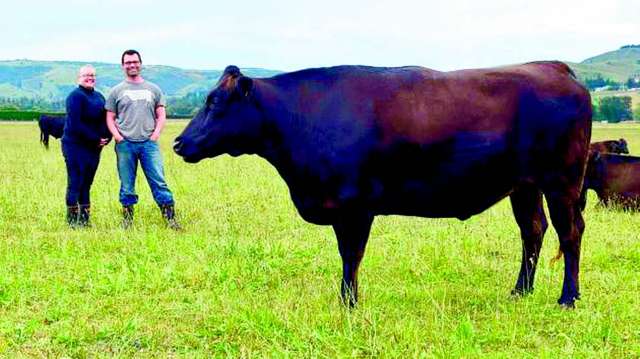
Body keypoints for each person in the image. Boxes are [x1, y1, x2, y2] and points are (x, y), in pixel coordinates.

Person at [105, 49, 180, 230]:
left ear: (140, 63)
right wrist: (117, 137)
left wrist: (155, 135)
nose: (132, 65)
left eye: (135, 62)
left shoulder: (153, 89)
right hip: (125, 144)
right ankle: (127, 220)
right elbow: (109, 117)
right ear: (123, 66)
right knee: (127, 183)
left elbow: (161, 114)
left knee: (158, 180)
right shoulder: (116, 91)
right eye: (128, 62)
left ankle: (170, 219)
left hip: (149, 144)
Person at [62, 65, 111, 228]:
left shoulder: (99, 97)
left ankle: (84, 220)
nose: (90, 78)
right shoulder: (75, 97)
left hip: (94, 147)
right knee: (75, 181)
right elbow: (75, 124)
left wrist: (106, 137)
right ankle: (71, 221)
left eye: (93, 75)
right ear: (79, 78)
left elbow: (104, 120)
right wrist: (95, 139)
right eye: (86, 75)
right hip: (75, 145)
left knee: (87, 183)